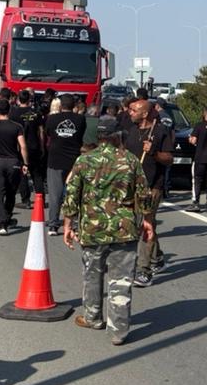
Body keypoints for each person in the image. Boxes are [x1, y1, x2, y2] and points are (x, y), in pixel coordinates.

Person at [62, 115, 153, 346]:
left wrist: (67, 224)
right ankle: (118, 331)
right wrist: (148, 220)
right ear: (117, 135)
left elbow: (71, 194)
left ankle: (92, 317)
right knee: (121, 281)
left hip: (92, 229)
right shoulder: (131, 161)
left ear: (98, 136)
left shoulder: (84, 161)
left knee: (92, 274)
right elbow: (144, 194)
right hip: (124, 229)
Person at [127, 98, 175, 285]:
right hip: (133, 186)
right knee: (148, 225)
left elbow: (169, 158)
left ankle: (143, 270)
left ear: (145, 113)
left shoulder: (160, 132)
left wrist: (154, 152)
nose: (130, 112)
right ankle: (158, 257)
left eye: (134, 110)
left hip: (152, 186)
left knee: (143, 226)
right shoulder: (131, 132)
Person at [0, 98, 29, 234]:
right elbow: (23, 146)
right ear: (9, 110)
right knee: (11, 192)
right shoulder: (17, 127)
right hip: (13, 161)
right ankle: (7, 217)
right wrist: (25, 163)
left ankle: (2, 222)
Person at [43, 94, 87, 236]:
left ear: (61, 106)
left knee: (55, 194)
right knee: (73, 193)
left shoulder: (52, 119)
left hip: (55, 160)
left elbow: (48, 134)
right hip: (74, 160)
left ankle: (53, 224)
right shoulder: (80, 119)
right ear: (74, 105)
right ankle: (73, 224)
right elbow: (81, 136)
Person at [10, 89, 45, 208]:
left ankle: (26, 200)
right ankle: (41, 199)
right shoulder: (36, 113)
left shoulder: (13, 113)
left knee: (22, 173)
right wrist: (42, 146)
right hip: (34, 145)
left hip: (20, 146)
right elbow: (41, 131)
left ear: (18, 99)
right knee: (37, 174)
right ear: (29, 99)